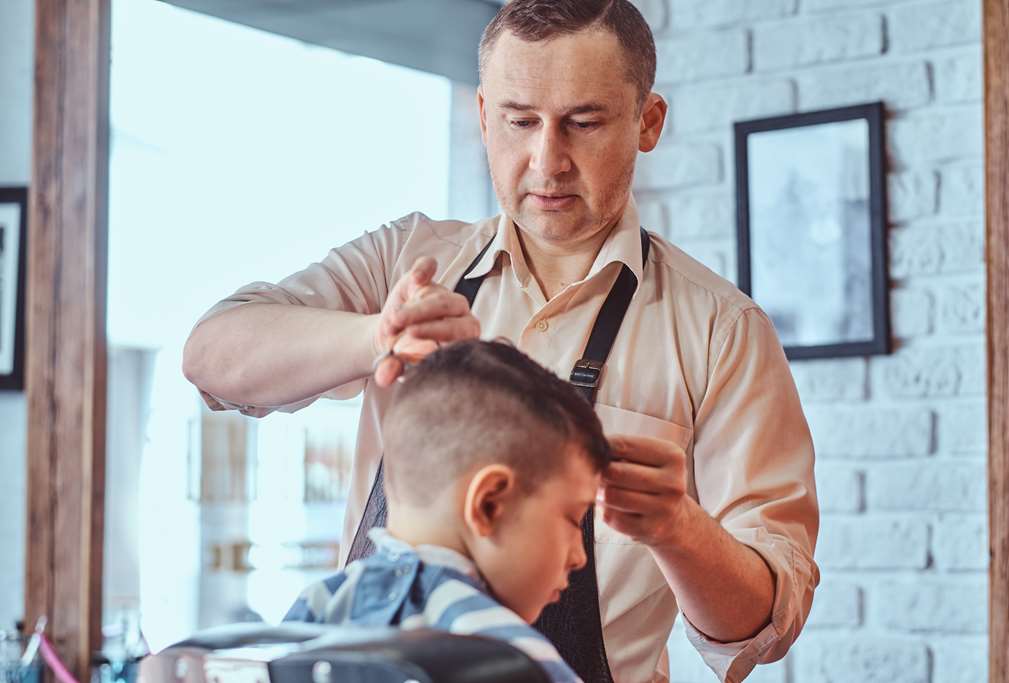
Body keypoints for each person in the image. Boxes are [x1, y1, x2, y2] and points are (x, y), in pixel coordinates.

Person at [183, 1, 820, 681]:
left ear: (648, 122)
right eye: (520, 121)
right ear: (484, 116)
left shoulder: (722, 331)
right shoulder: (408, 260)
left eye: (584, 122)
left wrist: (677, 527)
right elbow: (212, 357)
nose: (548, 160)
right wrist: (377, 335)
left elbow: (763, 629)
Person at [284, 339, 613, 683]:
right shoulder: (511, 659)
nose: (579, 556)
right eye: (573, 519)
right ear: (489, 504)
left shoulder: (318, 609)